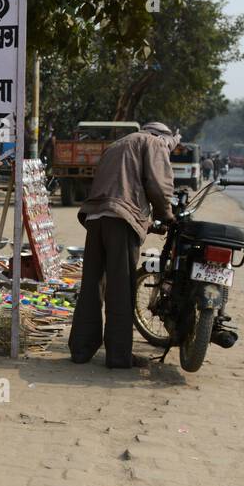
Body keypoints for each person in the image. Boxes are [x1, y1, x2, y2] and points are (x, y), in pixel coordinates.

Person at [69, 122, 176, 368]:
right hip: (120, 219)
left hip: (96, 217)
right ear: (162, 136)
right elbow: (159, 188)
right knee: (120, 288)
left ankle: (81, 349)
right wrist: (167, 215)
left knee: (92, 285)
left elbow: (120, 186)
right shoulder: (154, 142)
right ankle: (118, 356)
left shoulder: (118, 144)